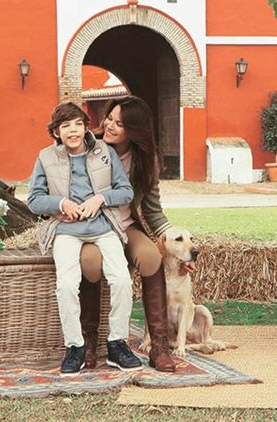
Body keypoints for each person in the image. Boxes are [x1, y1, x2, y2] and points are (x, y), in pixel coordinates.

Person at [27, 102, 142, 375]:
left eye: (78, 123)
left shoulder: (106, 151)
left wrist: (101, 198)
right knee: (66, 285)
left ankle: (117, 343)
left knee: (122, 280)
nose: (73, 130)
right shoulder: (45, 157)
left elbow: (125, 191)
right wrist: (61, 203)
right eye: (65, 126)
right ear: (56, 132)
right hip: (65, 231)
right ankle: (75, 347)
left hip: (104, 227)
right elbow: (33, 200)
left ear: (85, 126)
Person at [77, 96, 176, 373]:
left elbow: (153, 210)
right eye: (110, 118)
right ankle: (88, 341)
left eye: (119, 123)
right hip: (93, 228)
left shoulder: (145, 160)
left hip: (126, 226)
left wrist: (175, 243)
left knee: (152, 258)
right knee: (91, 264)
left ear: (135, 130)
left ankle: (159, 345)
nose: (109, 125)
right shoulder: (87, 147)